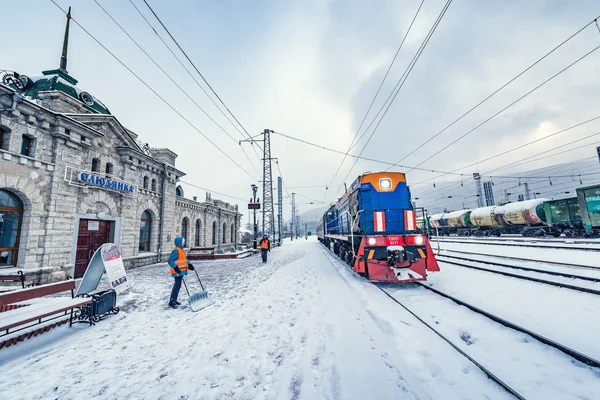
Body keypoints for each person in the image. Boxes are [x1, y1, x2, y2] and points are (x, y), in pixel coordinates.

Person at [167, 236, 195, 309]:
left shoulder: (181, 250)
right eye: (183, 242)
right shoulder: (176, 251)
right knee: (177, 285)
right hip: (177, 272)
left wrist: (189, 265)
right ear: (180, 243)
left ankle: (174, 299)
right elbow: (170, 260)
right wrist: (176, 268)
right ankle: (172, 301)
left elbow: (184, 259)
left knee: (178, 285)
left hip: (181, 271)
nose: (184, 244)